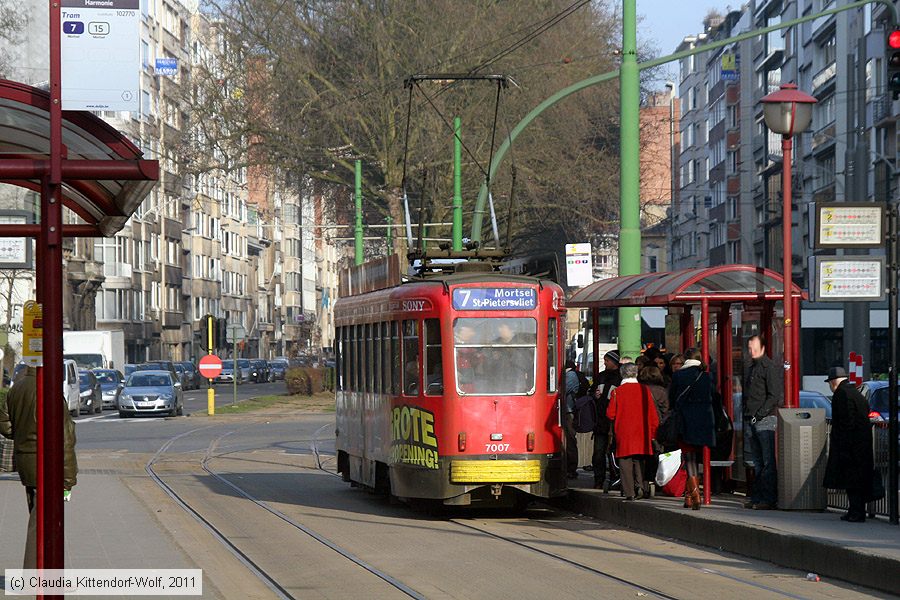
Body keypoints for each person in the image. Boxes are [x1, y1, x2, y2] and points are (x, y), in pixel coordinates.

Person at [2, 366, 78, 568]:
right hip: (47, 465)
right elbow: (65, 440)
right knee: (42, 523)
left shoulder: (16, 388)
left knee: (38, 516)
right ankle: (34, 576)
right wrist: (68, 479)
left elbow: (5, 424)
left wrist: (21, 433)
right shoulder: (50, 390)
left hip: (25, 463)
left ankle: (43, 574)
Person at [823, 367, 874, 522]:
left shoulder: (841, 394)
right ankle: (856, 511)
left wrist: (843, 445)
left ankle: (855, 512)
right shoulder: (856, 393)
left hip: (850, 446)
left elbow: (846, 421)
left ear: (833, 382)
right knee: (858, 481)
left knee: (851, 481)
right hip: (862, 445)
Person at [669, 348, 715, 510]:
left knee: (689, 458)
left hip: (685, 422)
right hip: (705, 422)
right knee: (699, 457)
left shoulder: (678, 376)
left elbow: (672, 399)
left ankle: (694, 493)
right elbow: (714, 398)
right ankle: (689, 497)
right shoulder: (707, 376)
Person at [741, 335, 783, 510]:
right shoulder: (751, 367)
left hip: (764, 419)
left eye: (754, 348)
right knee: (757, 461)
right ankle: (757, 497)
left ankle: (768, 498)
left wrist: (760, 413)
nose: (751, 351)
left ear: (763, 348)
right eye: (750, 348)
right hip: (752, 417)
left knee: (766, 461)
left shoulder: (769, 367)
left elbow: (774, 395)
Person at [606, 363, 659, 500]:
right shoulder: (645, 390)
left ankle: (629, 492)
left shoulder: (617, 392)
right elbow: (653, 415)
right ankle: (640, 485)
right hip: (642, 430)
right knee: (640, 459)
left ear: (622, 374)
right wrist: (653, 432)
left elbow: (610, 414)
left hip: (624, 431)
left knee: (625, 461)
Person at [592, 350, 621, 490]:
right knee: (598, 453)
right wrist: (594, 395)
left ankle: (615, 479)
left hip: (614, 422)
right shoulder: (601, 376)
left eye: (607, 360)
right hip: (600, 421)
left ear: (615, 362)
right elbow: (591, 391)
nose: (604, 363)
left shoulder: (620, 377)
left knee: (614, 453)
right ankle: (599, 479)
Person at [564, 360, 581, 479]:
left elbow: (563, 390)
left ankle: (571, 468)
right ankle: (570, 467)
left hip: (569, 411)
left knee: (570, 439)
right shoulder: (570, 375)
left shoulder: (570, 375)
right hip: (567, 411)